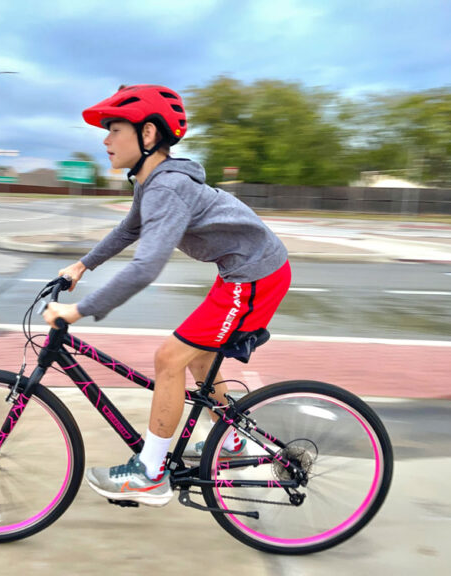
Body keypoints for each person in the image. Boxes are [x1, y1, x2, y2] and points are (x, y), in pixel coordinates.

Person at [42, 84, 290, 507]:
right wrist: (83, 265)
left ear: (149, 135)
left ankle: (150, 473)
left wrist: (79, 311)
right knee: (197, 356)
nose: (105, 140)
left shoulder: (167, 187)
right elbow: (128, 230)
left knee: (168, 358)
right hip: (238, 273)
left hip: (255, 275)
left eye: (114, 129)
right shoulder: (152, 182)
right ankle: (231, 443)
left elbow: (146, 267)